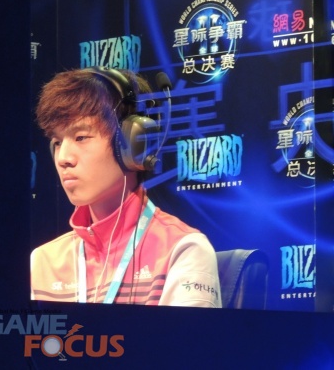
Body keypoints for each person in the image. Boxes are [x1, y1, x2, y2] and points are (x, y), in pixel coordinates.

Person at [30, 67, 222, 307]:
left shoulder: (182, 250)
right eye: (57, 142)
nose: (63, 158)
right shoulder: (43, 262)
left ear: (133, 144)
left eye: (81, 138)